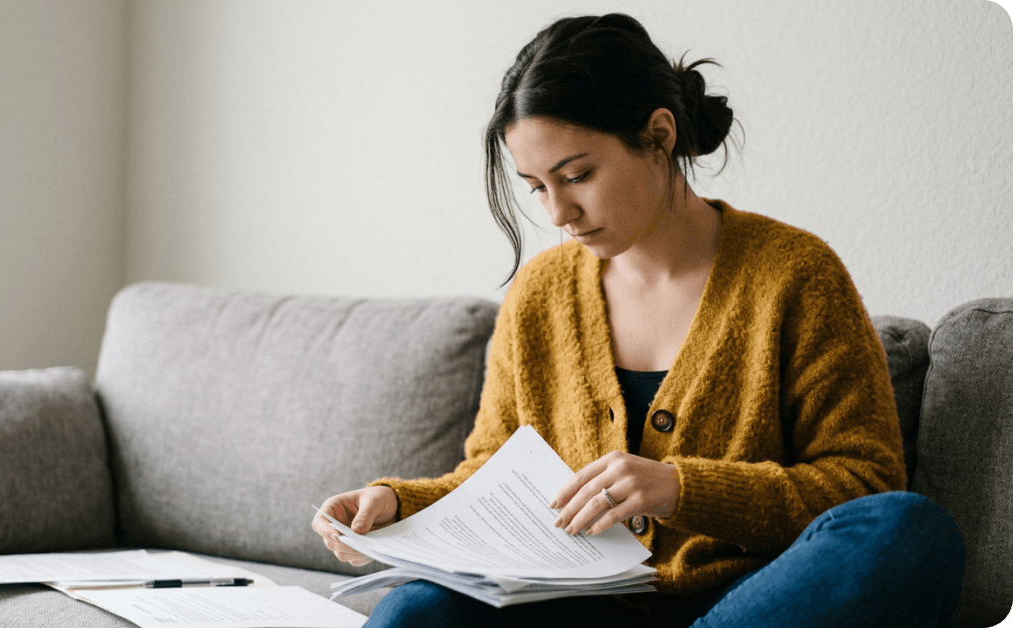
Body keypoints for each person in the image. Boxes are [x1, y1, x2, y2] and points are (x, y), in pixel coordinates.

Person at [311, 13, 965, 628]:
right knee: (417, 609)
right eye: (537, 186)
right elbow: (492, 474)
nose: (558, 213)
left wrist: (682, 488)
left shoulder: (795, 275)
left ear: (658, 135)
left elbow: (864, 484)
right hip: (573, 602)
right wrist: (399, 505)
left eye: (577, 175)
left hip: (748, 599)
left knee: (908, 531)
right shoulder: (540, 294)